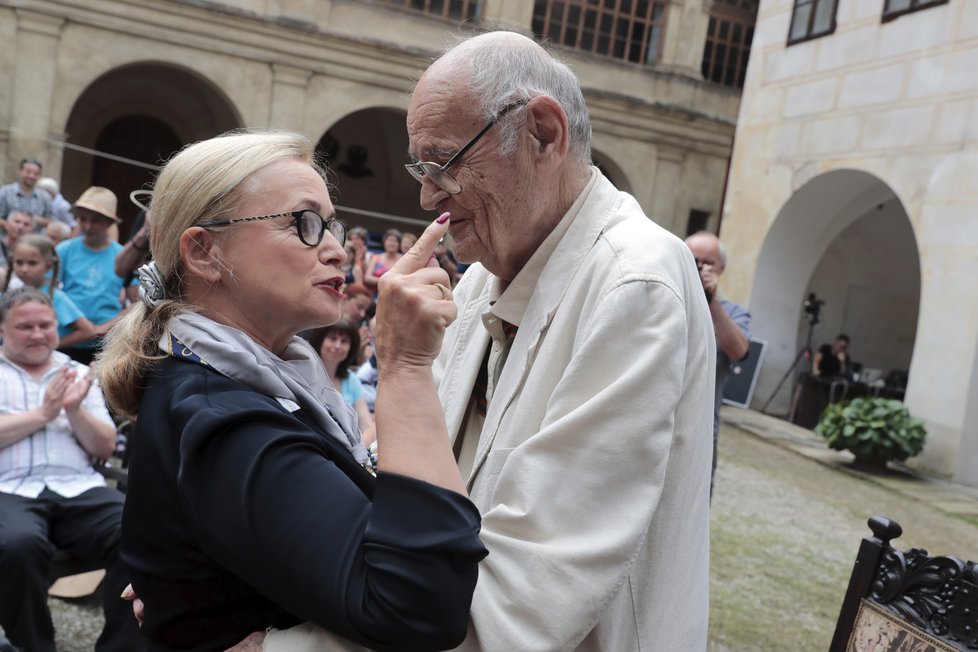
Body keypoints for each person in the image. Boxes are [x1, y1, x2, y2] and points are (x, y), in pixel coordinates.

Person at [279, 30, 716, 651]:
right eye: (419, 169)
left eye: (445, 163)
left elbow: (521, 601)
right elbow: (422, 506)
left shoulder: (635, 281)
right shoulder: (484, 274)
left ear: (542, 133)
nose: (428, 195)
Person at [96, 130, 486, 651]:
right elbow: (423, 607)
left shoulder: (261, 384)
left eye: (331, 224)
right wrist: (405, 366)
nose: (337, 250)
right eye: (304, 224)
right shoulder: (222, 419)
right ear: (204, 252)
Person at [0, 287, 144, 652]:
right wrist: (44, 415)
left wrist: (73, 410)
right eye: (24, 326)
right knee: (17, 544)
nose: (37, 334)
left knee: (139, 528)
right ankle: (32, 646)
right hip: (10, 490)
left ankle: (120, 648)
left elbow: (106, 447)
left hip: (77, 487)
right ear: (3, 329)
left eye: (45, 325)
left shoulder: (78, 373)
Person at [685, 230, 750, 492]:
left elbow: (739, 351)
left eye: (708, 262)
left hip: (701, 430)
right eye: (692, 259)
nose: (700, 267)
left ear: (721, 269)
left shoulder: (732, 313)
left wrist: (711, 302)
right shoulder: (666, 299)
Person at [56, 187, 135, 364]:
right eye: (82, 219)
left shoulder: (123, 256)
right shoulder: (64, 250)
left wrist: (105, 327)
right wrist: (80, 325)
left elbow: (138, 303)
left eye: (96, 221)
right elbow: (49, 289)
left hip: (104, 346)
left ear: (109, 223)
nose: (87, 226)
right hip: (67, 340)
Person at [2, 233, 98, 349]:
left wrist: (51, 345)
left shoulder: (55, 297)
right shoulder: (13, 292)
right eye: (19, 262)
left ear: (47, 266)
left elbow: (88, 331)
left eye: (32, 263)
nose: (24, 269)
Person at [305, 319, 374, 445]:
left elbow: (367, 426)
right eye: (332, 338)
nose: (337, 346)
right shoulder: (303, 374)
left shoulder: (351, 380)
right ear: (320, 341)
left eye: (344, 341)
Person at [0, 157, 52, 229]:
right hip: (5, 238)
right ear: (20, 171)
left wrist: (37, 220)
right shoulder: (4, 192)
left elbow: (53, 222)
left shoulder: (45, 197)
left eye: (35, 173)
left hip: (35, 239)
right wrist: (11, 225)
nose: (31, 176)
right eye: (28, 172)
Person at [363, 228, 402, 294]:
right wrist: (385, 281)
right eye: (389, 240)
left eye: (395, 241)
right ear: (384, 242)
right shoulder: (376, 257)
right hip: (376, 295)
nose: (392, 243)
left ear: (399, 244)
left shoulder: (403, 259)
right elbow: (367, 277)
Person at [0, 210, 35, 284]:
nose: (20, 227)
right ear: (7, 224)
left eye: (26, 224)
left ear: (31, 230)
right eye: (17, 222)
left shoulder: (34, 253)